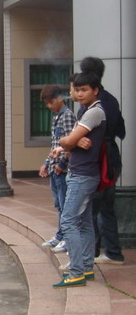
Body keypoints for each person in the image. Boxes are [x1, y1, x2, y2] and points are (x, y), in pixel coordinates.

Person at [52, 71, 107, 287]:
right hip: (81, 173)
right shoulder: (85, 111)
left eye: (84, 90)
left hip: (83, 175)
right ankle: (86, 267)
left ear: (95, 90)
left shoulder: (94, 112)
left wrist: (69, 141)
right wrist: (72, 142)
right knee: (84, 222)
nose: (79, 94)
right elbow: (70, 144)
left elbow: (67, 141)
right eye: (77, 90)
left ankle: (76, 272)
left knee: (68, 221)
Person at [79, 57, 126, 265]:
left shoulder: (93, 106)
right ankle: (111, 251)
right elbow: (121, 131)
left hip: (98, 158)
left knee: (91, 207)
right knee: (105, 206)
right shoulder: (111, 100)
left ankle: (94, 252)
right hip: (111, 157)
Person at [38, 85, 76, 254]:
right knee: (59, 205)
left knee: (65, 206)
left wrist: (62, 165)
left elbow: (70, 144)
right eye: (46, 103)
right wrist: (47, 163)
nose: (49, 106)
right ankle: (60, 235)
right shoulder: (56, 116)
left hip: (63, 170)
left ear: (59, 98)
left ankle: (66, 238)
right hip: (55, 168)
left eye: (50, 102)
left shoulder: (67, 116)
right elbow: (55, 144)